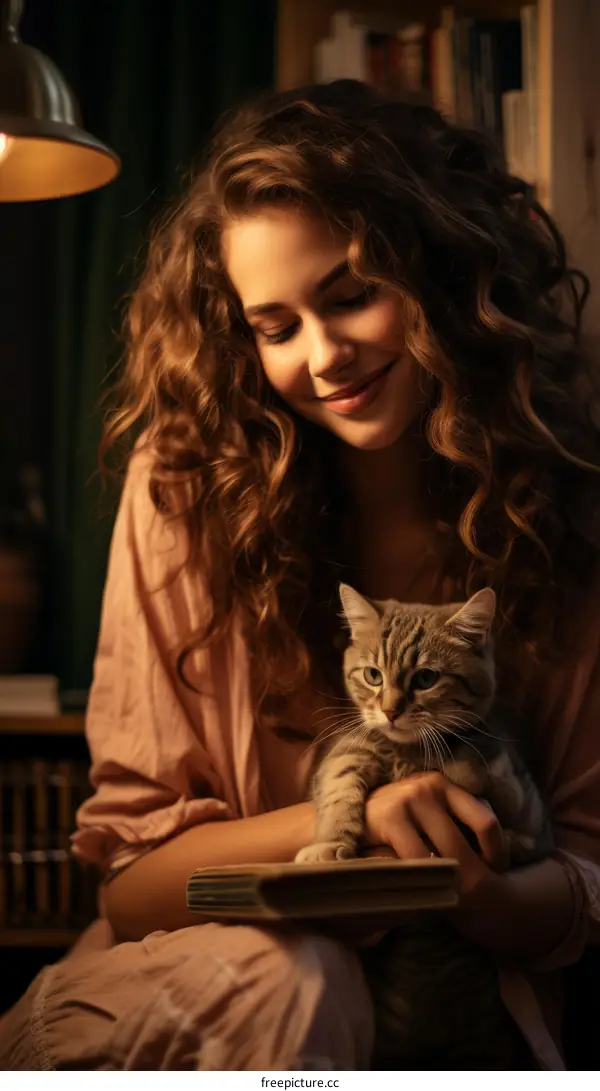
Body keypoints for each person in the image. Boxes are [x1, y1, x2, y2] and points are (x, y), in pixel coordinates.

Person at [2, 78, 600, 1071]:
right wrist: (351, 817)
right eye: (275, 327)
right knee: (303, 979)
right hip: (200, 1003)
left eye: (353, 295)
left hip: (450, 1008)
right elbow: (132, 884)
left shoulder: (558, 506)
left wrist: (476, 890)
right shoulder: (188, 485)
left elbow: (583, 868)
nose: (324, 357)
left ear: (447, 274)